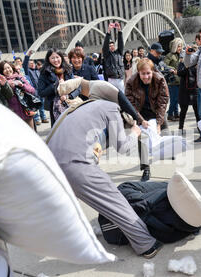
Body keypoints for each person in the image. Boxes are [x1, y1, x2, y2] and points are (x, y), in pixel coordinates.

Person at [47, 95, 163, 259]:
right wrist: (134, 133)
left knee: (64, 207)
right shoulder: (111, 107)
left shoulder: (78, 108)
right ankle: (146, 245)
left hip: (48, 166)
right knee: (116, 203)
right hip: (75, 166)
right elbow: (123, 147)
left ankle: (57, 241)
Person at [125, 58, 169, 182]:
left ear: (153, 71)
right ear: (138, 72)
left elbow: (163, 101)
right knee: (142, 140)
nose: (146, 76)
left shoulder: (159, 80)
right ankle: (146, 168)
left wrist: (159, 123)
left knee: (166, 134)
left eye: (148, 73)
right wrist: (140, 120)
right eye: (143, 73)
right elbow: (130, 104)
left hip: (156, 112)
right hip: (140, 113)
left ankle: (164, 152)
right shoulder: (131, 82)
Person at [38, 48, 80, 127]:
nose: (56, 60)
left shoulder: (68, 69)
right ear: (48, 59)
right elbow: (41, 92)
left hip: (71, 104)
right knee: (59, 131)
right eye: (52, 58)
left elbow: (78, 88)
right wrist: (55, 85)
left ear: (61, 57)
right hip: (55, 107)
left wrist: (68, 96)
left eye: (57, 57)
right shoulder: (44, 73)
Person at [0, 61, 36, 130]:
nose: (7, 70)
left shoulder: (20, 77)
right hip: (14, 114)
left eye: (8, 67)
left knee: (31, 133)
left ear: (12, 68)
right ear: (2, 71)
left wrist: (23, 86)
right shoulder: (1, 82)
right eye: (4, 69)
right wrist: (7, 85)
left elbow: (32, 90)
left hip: (26, 111)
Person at [23, 50, 49, 126]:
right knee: (35, 106)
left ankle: (43, 118)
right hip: (33, 91)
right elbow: (24, 64)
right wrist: (28, 56)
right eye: (30, 64)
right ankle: (37, 119)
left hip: (40, 90)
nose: (32, 65)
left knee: (42, 105)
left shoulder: (38, 71)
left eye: (33, 63)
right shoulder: (28, 71)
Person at [177, 50, 199, 133]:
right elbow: (179, 73)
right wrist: (186, 67)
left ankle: (200, 128)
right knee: (183, 111)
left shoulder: (196, 64)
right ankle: (180, 129)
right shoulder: (182, 64)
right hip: (184, 91)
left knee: (197, 112)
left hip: (194, 90)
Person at [164, 38, 183, 121]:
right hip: (172, 81)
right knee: (174, 99)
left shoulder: (180, 55)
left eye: (181, 46)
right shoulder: (169, 55)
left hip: (179, 80)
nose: (180, 48)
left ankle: (176, 113)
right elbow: (164, 65)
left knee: (177, 98)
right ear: (175, 46)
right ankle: (170, 114)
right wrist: (173, 69)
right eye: (179, 46)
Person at [103, 22, 125, 92]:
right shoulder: (107, 55)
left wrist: (119, 30)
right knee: (112, 97)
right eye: (110, 46)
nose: (111, 47)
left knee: (122, 96)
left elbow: (121, 43)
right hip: (111, 79)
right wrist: (108, 31)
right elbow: (105, 45)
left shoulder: (119, 53)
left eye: (113, 45)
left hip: (120, 79)